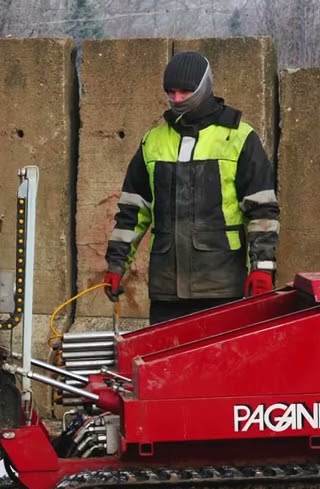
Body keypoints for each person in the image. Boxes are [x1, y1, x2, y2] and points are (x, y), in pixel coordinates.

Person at [103, 51, 280, 325]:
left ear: (204, 86)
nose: (176, 99)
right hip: (166, 292)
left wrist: (263, 268)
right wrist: (116, 264)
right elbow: (132, 211)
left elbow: (262, 211)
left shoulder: (239, 137)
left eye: (185, 91)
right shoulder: (153, 141)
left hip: (221, 287)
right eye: (170, 92)